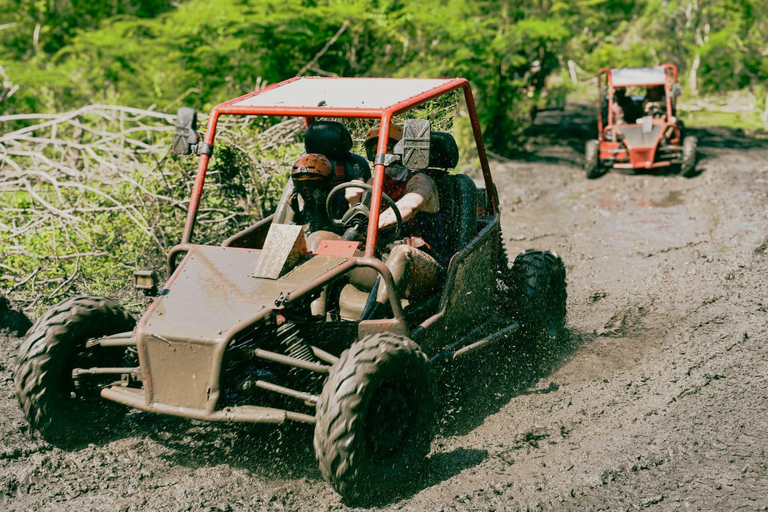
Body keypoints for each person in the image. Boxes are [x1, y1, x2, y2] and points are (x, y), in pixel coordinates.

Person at [356, 123, 450, 320]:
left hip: (427, 266)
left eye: (387, 149)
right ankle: (309, 319)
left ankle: (368, 324)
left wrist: (372, 224)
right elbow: (358, 213)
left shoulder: (420, 181)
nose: (380, 157)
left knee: (401, 254)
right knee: (326, 241)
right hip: (382, 261)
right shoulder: (375, 183)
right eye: (374, 151)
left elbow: (409, 206)